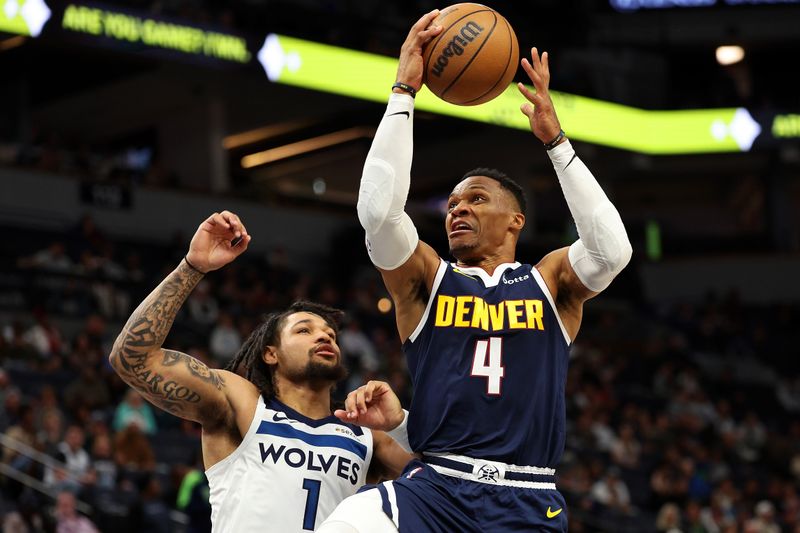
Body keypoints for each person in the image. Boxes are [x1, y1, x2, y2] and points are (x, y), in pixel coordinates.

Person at [319, 9, 632, 533]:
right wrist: (403, 91)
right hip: (436, 487)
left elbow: (612, 252)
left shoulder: (550, 281)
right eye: (453, 203)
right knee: (351, 521)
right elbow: (377, 213)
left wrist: (557, 143)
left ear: (516, 221)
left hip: (527, 496)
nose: (457, 209)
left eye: (476, 199)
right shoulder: (426, 279)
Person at [108, 211, 410, 532]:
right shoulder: (246, 405)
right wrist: (192, 267)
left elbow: (455, 481)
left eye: (330, 334)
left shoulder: (366, 436)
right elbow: (132, 358)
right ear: (270, 353)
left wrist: (400, 424)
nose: (324, 336)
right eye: (304, 330)